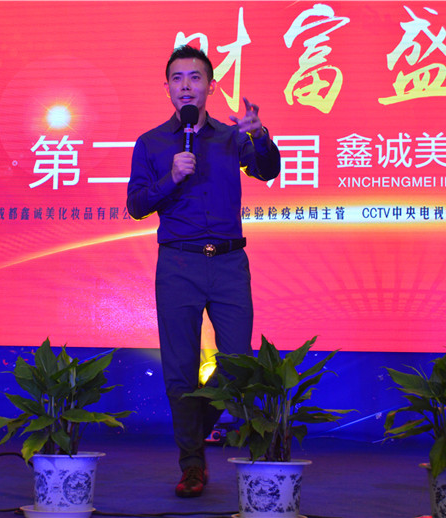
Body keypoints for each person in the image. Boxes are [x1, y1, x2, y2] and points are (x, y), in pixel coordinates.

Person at [126, 45, 280, 498]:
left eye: (195, 77)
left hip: (229, 262)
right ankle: (192, 464)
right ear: (168, 88)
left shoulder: (232, 137)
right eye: (178, 78)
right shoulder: (151, 142)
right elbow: (136, 205)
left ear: (210, 86)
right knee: (180, 368)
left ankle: (193, 425)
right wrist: (171, 178)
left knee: (238, 364)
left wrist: (261, 135)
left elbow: (266, 170)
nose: (186, 86)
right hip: (178, 262)